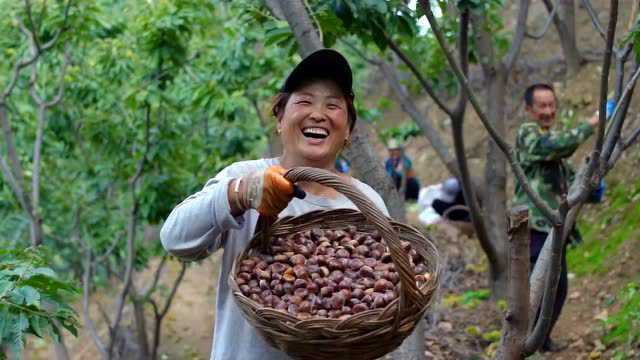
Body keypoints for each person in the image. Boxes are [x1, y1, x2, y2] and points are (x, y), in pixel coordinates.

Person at [160, 49, 388, 360]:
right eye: (305, 101)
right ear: (280, 118)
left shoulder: (367, 203)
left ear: (348, 130)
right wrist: (240, 194)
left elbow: (383, 300)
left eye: (333, 105)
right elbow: (175, 239)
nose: (318, 113)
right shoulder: (242, 176)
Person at [514, 83, 599, 352]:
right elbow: (553, 147)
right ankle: (522, 344)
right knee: (537, 287)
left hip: (553, 225)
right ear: (529, 109)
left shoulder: (554, 150)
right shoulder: (529, 135)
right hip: (534, 225)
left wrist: (592, 185)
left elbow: (571, 180)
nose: (549, 111)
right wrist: (590, 124)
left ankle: (540, 341)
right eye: (542, 106)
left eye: (552, 105)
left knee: (557, 287)